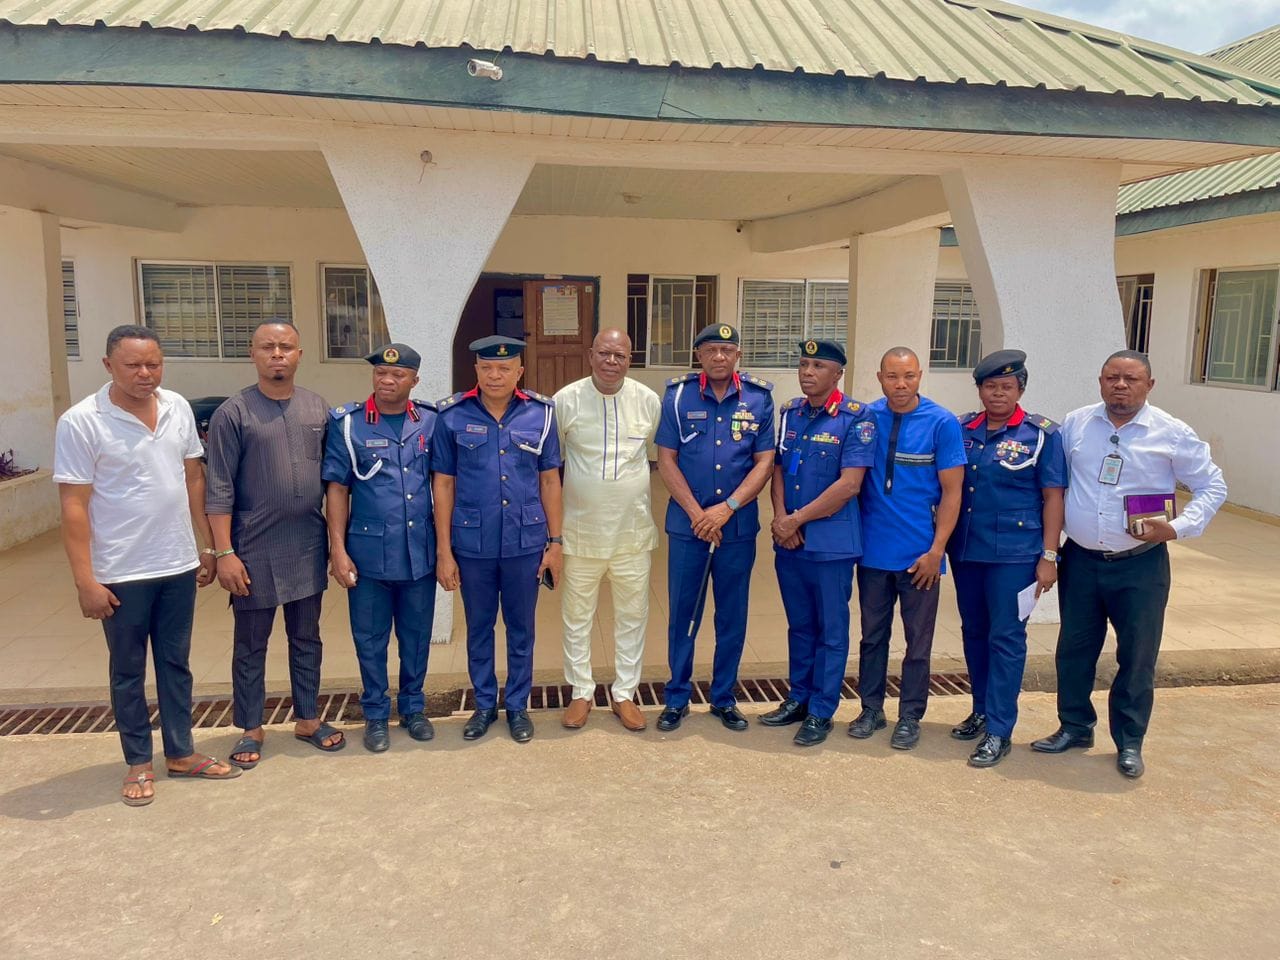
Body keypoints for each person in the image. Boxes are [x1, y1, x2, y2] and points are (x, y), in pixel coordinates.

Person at [53, 324, 240, 806]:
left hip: (176, 564)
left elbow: (192, 476)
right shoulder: (82, 421)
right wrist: (85, 581)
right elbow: (73, 506)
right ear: (107, 365)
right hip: (120, 572)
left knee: (176, 664)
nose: (145, 373)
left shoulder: (177, 406)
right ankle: (138, 760)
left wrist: (206, 546)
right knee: (128, 670)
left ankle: (181, 752)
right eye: (133, 364)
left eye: (153, 363)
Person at [1031, 350, 1226, 778]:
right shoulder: (1078, 423)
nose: (1121, 385)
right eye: (1112, 377)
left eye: (1131, 379)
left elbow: (1212, 485)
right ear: (1100, 381)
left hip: (1140, 566)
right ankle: (1075, 726)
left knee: (1137, 656)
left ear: (1149, 385)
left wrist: (1176, 528)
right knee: (1074, 650)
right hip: (1081, 560)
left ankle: (1130, 741)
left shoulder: (1171, 432)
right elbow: (1056, 485)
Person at [205, 321, 342, 767]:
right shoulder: (234, 413)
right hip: (252, 550)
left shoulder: (318, 409)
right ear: (253, 354)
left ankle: (307, 718)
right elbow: (219, 487)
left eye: (286, 347)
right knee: (251, 643)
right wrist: (224, 552)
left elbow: (334, 481)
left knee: (307, 637)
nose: (277, 354)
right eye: (268, 347)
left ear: (300, 353)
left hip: (305, 544)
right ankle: (250, 727)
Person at [433, 336, 564, 743]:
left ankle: (519, 706)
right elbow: (444, 484)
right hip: (472, 544)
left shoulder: (540, 415)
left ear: (519, 372)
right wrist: (443, 551)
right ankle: (485, 704)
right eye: (487, 367)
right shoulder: (452, 415)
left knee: (522, 628)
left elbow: (549, 480)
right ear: (476, 370)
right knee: (479, 627)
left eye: (504, 368)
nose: (495, 375)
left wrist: (555, 543)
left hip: (525, 543)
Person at [947, 350, 1066, 768]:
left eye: (1007, 387)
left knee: (1007, 638)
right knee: (974, 632)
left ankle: (1000, 729)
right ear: (979, 389)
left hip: (1015, 557)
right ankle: (981, 710)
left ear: (1020, 390)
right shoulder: (962, 429)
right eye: (990, 386)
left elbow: (1054, 497)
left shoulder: (1041, 434)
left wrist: (1048, 555)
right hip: (967, 551)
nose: (998, 393)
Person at [655, 323, 775, 732]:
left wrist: (727, 508)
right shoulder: (677, 397)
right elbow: (666, 459)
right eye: (711, 349)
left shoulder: (759, 399)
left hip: (736, 527)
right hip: (688, 527)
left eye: (727, 349)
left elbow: (764, 461)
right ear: (699, 355)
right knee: (683, 614)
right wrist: (697, 514)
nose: (719, 356)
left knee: (731, 615)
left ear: (738, 354)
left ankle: (724, 698)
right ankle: (676, 697)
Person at [759, 339, 875, 747]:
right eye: (804, 364)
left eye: (819, 366)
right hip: (790, 542)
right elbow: (777, 467)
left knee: (830, 629)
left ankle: (823, 709)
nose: (808, 372)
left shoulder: (855, 419)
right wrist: (779, 519)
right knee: (800, 625)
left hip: (830, 544)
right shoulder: (790, 413)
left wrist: (796, 519)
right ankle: (799, 697)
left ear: (838, 373)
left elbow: (849, 484)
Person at [323, 343, 438, 753]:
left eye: (397, 375)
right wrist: (337, 549)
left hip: (419, 553)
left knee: (416, 636)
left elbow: (442, 485)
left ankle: (412, 708)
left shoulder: (429, 421)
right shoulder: (349, 424)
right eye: (380, 374)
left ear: (414, 380)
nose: (387, 380)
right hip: (369, 555)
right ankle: (375, 714)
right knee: (369, 639)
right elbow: (337, 488)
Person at [851, 347, 966, 750]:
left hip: (921, 557)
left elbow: (953, 494)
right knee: (871, 637)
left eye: (910, 377)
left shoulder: (941, 423)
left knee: (918, 642)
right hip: (872, 555)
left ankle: (910, 716)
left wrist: (937, 551)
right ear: (879, 377)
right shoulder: (865, 418)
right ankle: (870, 708)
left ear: (920, 376)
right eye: (893, 377)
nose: (901, 385)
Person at [553, 329, 661, 732]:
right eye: (604, 353)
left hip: (632, 534)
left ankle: (625, 693)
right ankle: (581, 691)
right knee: (576, 616)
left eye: (619, 354)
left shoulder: (647, 401)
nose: (611, 361)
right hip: (580, 534)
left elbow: (662, 456)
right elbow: (550, 466)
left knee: (632, 616)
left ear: (629, 359)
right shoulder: (566, 400)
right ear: (590, 355)